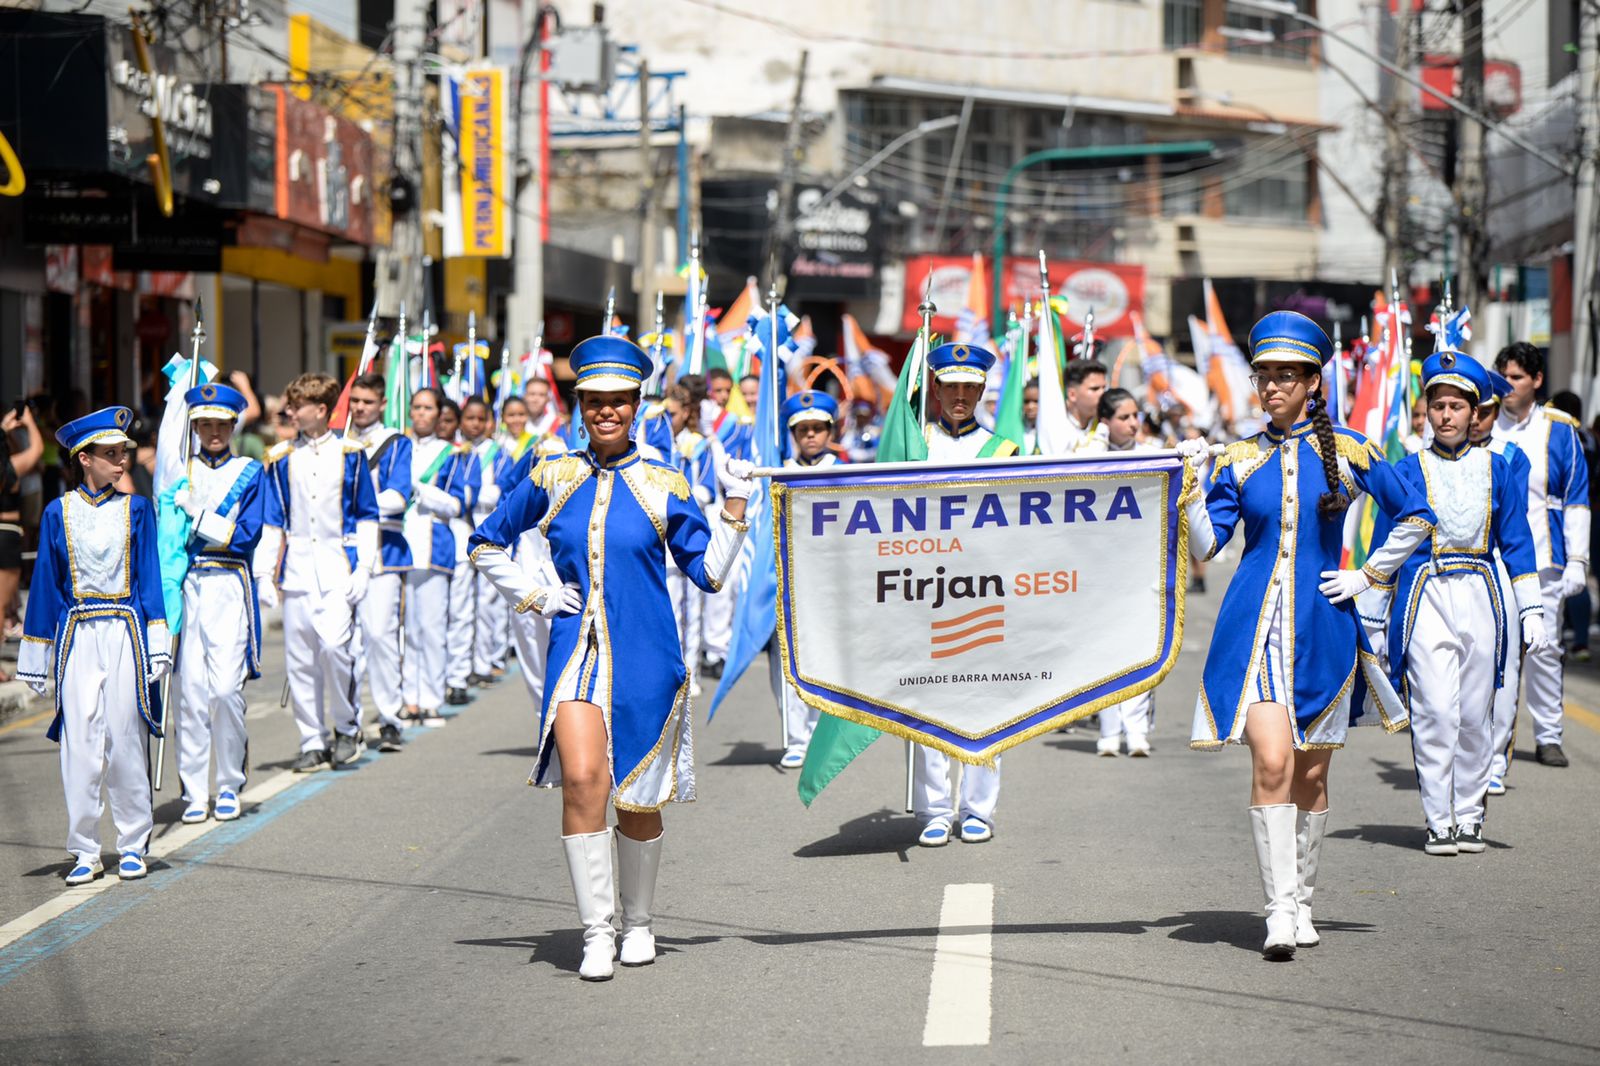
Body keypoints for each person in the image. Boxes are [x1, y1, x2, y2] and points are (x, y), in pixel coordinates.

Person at [469, 334, 753, 981]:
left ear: (636, 404)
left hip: (647, 657)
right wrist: (537, 594)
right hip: (575, 655)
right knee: (582, 780)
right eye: (594, 400)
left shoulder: (663, 483)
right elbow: (485, 543)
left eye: (619, 401)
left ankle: (640, 922)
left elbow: (707, 574)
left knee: (637, 802)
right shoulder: (553, 474)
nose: (606, 411)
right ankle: (597, 931)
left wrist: (734, 508)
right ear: (579, 404)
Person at [1181, 311, 1433, 959]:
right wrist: (1189, 488)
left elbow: (1415, 515)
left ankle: (1305, 901)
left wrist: (1370, 576)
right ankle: (1279, 911)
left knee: (1312, 779)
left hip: (1324, 627)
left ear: (1312, 383)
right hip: (1254, 632)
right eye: (1263, 375)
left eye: (1284, 376)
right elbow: (1208, 547)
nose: (1270, 387)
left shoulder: (1349, 450)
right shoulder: (1238, 457)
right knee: (1272, 760)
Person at [1372, 352, 1546, 855]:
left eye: (1457, 406)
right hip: (1425, 593)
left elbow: (1515, 539)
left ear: (1476, 413)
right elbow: (1387, 544)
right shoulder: (1407, 469)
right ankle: (1437, 819)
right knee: (1434, 710)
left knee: (1475, 712)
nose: (1446, 415)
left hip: (1483, 594)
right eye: (1438, 405)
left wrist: (1530, 608)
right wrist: (1377, 619)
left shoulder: (1500, 468)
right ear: (1426, 413)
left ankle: (1469, 815)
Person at [18, 407, 169, 883]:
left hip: (124, 628)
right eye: (110, 454)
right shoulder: (56, 512)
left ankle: (132, 843)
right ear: (84, 459)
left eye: (123, 452)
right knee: (80, 743)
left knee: (125, 735)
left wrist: (158, 635)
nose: (121, 461)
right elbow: (45, 581)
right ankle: (84, 848)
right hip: (78, 633)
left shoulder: (138, 508)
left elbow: (149, 575)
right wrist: (37, 654)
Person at [913, 343, 1018, 848]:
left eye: (969, 387)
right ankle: (935, 806)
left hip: (985, 590)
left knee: (984, 696)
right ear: (933, 388)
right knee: (926, 699)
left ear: (981, 391)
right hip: (922, 589)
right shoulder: (912, 444)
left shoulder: (1005, 451)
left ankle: (977, 807)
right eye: (950, 385)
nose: (959, 396)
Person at [253, 373, 379, 772]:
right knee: (300, 659)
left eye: (297, 406)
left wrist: (365, 568)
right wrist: (263, 573)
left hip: (338, 564)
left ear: (321, 409)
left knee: (334, 649)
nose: (290, 412)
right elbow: (273, 520)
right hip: (297, 571)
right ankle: (312, 738)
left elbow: (366, 514)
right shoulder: (280, 456)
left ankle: (346, 727)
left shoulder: (351, 451)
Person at [170, 384, 266, 823]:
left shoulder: (250, 470)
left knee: (225, 690)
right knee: (190, 693)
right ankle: (194, 791)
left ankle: (228, 783)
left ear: (233, 425)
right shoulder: (179, 469)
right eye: (204, 423)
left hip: (228, 581)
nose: (212, 431)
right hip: (188, 583)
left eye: (220, 423)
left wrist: (199, 515)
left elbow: (246, 536)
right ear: (193, 426)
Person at [1494, 342, 1589, 768]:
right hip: (1489, 558)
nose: (1507, 385)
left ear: (1536, 380)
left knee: (1543, 648)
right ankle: (1491, 740)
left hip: (1543, 559)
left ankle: (1548, 734)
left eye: (1516, 377)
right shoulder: (1481, 420)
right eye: (1503, 376)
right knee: (1490, 649)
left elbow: (1575, 498)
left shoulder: (1560, 429)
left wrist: (1578, 561)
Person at [1079, 388, 1157, 756]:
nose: (1133, 423)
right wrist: (1097, 438)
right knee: (1103, 653)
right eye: (1123, 417)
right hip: (1097, 569)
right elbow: (1080, 471)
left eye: (1135, 415)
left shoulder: (1152, 455)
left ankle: (1137, 730)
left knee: (1139, 651)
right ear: (1106, 422)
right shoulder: (1090, 453)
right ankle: (1109, 730)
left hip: (1141, 566)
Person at [769, 390, 840, 769]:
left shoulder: (844, 471)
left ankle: (818, 730)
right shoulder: (780, 469)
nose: (810, 435)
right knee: (785, 661)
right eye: (803, 430)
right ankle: (795, 736)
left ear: (830, 430)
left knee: (825, 658)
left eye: (818, 428)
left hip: (829, 580)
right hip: (790, 578)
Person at [344, 371, 413, 753]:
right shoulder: (338, 443)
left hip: (384, 552)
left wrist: (355, 504)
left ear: (382, 404)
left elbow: (398, 497)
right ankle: (348, 721)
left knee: (379, 636)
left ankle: (389, 718)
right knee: (343, 645)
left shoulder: (395, 442)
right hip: (343, 552)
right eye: (355, 401)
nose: (360, 408)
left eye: (367, 402)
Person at [1473, 371, 1534, 796]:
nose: (1475, 419)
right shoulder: (1429, 453)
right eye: (1468, 409)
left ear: (1496, 413)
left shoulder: (1511, 456)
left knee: (1504, 665)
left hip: (1497, 568)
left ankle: (1495, 759)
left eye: (1485, 411)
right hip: (1449, 573)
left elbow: (1513, 526)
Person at [400, 389, 477, 725]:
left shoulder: (452, 454)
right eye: (416, 407)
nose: (421, 414)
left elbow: (457, 504)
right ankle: (409, 698)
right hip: (398, 545)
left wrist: (421, 489)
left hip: (434, 542)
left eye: (427, 408)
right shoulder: (398, 447)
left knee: (431, 626)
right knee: (406, 629)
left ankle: (431, 697)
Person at [463, 397, 513, 689]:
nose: (474, 424)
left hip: (487, 532)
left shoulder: (500, 455)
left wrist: (474, 494)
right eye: (469, 418)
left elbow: (502, 493)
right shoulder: (457, 452)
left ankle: (486, 660)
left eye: (480, 419)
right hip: (460, 528)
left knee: (487, 601)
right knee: (461, 605)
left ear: (489, 422)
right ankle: (465, 663)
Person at [1, 401, 43, 674]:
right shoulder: (8, 468)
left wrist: (5, 432)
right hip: (7, 535)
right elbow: (36, 450)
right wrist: (28, 422)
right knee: (1, 606)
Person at [1062, 361, 1108, 451]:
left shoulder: (1107, 422)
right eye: (1095, 389)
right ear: (1072, 395)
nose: (1103, 394)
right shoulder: (1056, 428)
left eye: (1104, 388)